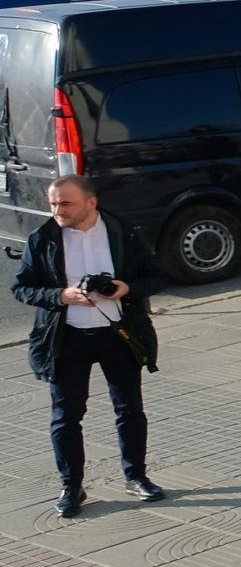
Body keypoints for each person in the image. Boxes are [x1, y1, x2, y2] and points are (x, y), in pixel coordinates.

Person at [14, 176, 167, 518]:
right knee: (65, 418)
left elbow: (157, 276)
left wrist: (127, 289)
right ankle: (72, 486)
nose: (57, 210)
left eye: (65, 204)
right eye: (53, 203)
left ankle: (136, 477)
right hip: (66, 340)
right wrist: (60, 296)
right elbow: (22, 288)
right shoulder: (42, 239)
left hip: (118, 336)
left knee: (130, 411)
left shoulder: (124, 234)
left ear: (91, 203)